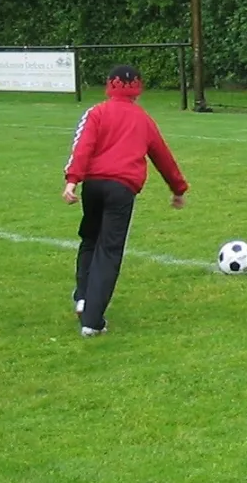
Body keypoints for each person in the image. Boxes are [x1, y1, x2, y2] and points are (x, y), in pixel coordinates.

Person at [63, 65, 188, 337]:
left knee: (90, 240)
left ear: (109, 86)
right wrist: (178, 189)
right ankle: (92, 321)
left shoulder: (97, 113)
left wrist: (72, 180)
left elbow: (82, 145)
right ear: (138, 90)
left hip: (93, 185)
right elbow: (163, 156)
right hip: (122, 188)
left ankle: (83, 298)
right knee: (109, 251)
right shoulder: (143, 120)